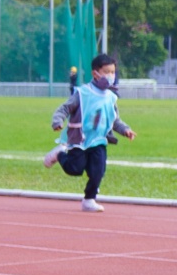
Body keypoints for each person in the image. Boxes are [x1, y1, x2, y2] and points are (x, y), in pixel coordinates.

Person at [42, 54, 135, 207]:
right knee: (75, 169)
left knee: (98, 171)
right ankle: (59, 154)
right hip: (80, 140)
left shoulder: (111, 97)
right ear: (95, 73)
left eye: (113, 72)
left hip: (99, 140)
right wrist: (57, 121)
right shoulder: (82, 93)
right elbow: (65, 108)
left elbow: (114, 120)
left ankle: (89, 199)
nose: (110, 76)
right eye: (106, 72)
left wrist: (125, 130)